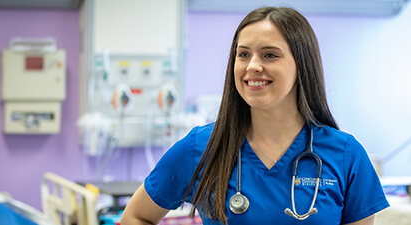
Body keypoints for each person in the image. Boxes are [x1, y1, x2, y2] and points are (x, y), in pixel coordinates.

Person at [120, 6, 389, 225]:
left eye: (270, 55)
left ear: (302, 65)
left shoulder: (346, 155)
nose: (253, 66)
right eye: (243, 54)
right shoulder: (201, 147)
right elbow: (135, 216)